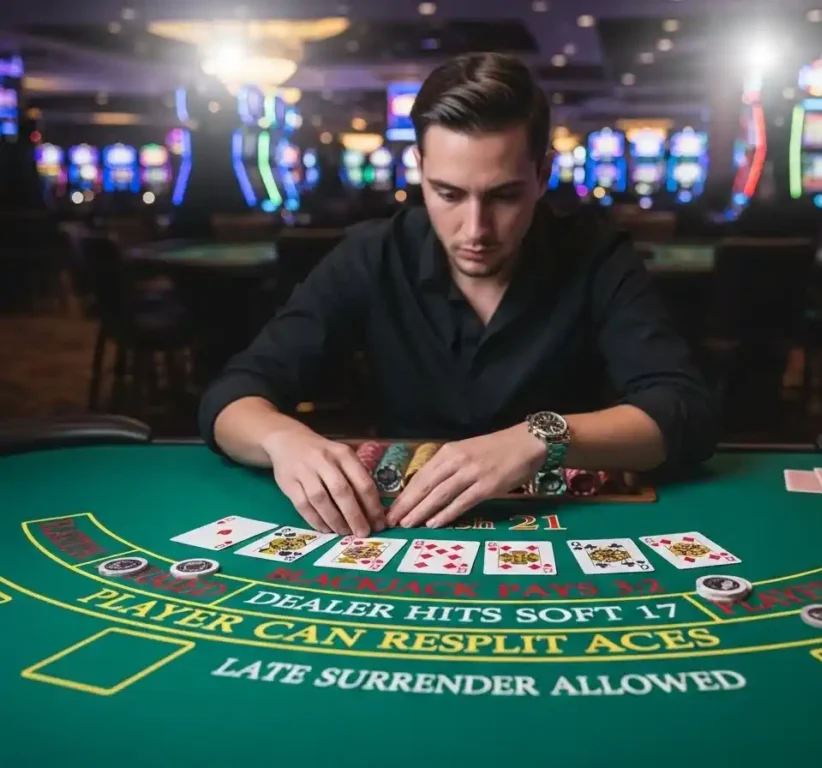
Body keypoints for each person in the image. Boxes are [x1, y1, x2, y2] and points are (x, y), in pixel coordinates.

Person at [198, 52, 718, 539]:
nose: (476, 229)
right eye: (448, 194)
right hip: (400, 521)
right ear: (421, 169)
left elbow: (683, 412)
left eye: (504, 196)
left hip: (560, 522)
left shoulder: (597, 255)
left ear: (542, 176)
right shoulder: (372, 254)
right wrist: (284, 439)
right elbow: (232, 397)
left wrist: (540, 437)